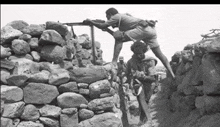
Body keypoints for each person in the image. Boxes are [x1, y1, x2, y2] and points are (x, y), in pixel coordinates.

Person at [83, 7, 175, 79]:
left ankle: (114, 62)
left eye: (107, 17)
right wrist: (107, 29)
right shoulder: (123, 20)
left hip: (142, 29)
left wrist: (91, 21)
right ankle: (172, 74)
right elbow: (116, 35)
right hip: (150, 30)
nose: (108, 19)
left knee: (119, 38)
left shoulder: (116, 16)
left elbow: (106, 27)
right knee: (159, 54)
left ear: (110, 14)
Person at [125, 41, 156, 126]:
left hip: (149, 85)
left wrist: (142, 76)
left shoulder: (150, 61)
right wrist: (130, 81)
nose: (139, 55)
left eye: (141, 53)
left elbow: (152, 78)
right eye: (137, 53)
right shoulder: (130, 62)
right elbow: (127, 74)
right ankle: (148, 120)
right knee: (141, 100)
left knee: (145, 101)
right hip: (137, 85)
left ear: (144, 51)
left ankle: (142, 121)